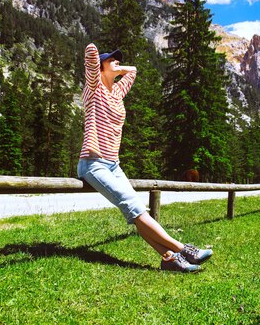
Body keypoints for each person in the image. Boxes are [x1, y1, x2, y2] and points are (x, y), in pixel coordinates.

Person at [77, 43, 212, 273]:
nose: (117, 62)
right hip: (93, 163)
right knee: (132, 206)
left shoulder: (117, 92)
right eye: (112, 60)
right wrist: (101, 62)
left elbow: (134, 71)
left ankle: (169, 259)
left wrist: (115, 68)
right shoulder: (94, 87)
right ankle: (184, 249)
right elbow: (90, 55)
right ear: (100, 68)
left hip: (113, 164)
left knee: (138, 210)